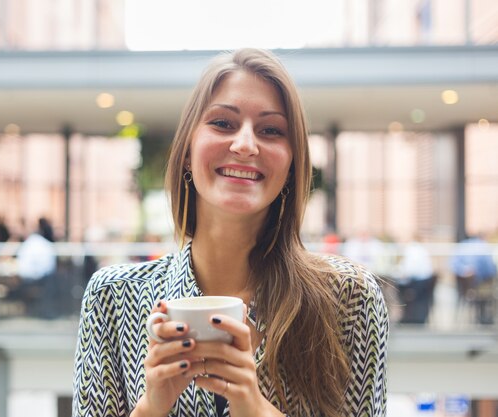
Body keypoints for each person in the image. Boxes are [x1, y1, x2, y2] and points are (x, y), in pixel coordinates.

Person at [73, 48, 388, 416]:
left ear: (291, 164)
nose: (244, 145)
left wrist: (254, 408)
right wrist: (152, 406)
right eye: (223, 123)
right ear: (188, 152)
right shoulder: (112, 298)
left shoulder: (350, 298)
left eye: (271, 130)